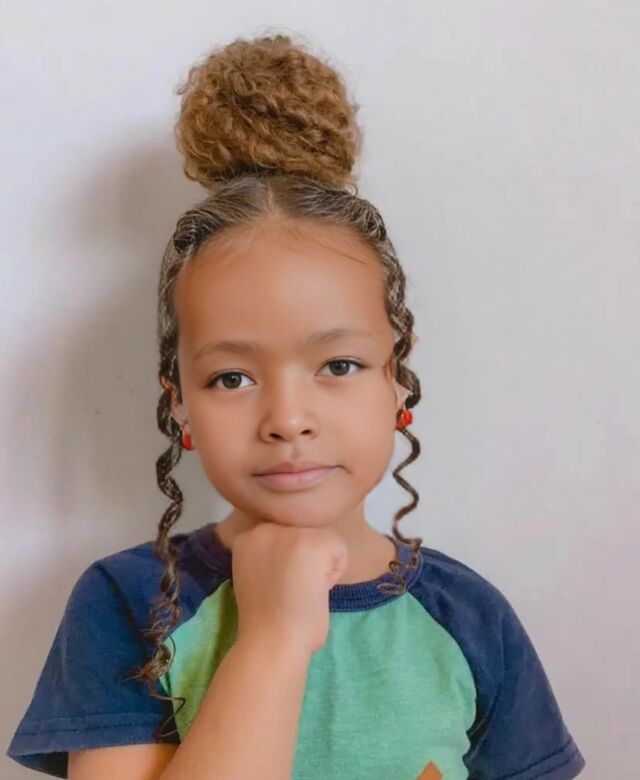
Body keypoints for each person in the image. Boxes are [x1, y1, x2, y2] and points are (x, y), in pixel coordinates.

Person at [6, 33, 586, 780]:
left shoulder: (472, 620)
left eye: (338, 366)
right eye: (232, 378)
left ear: (398, 382)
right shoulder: (128, 604)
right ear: (179, 405)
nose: (287, 419)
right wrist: (274, 637)